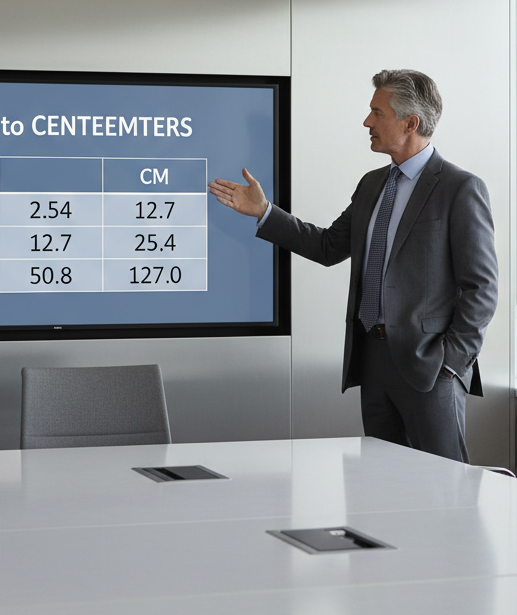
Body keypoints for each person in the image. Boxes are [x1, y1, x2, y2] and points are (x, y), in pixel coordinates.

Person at [208, 69, 497, 462]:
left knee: (445, 493)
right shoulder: (372, 184)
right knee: (380, 489)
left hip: (430, 369)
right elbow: (327, 246)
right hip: (372, 362)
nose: (367, 122)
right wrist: (264, 212)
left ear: (410, 122)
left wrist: (450, 365)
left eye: (377, 113)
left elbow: (482, 289)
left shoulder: (460, 189)